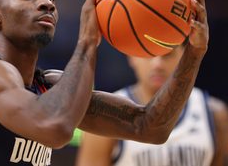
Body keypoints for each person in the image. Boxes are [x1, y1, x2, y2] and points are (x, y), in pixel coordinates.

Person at [0, 0, 209, 166]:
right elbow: (56, 128)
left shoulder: (51, 86)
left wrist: (194, 53)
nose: (45, 3)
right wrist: (88, 41)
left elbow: (150, 126)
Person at [75, 43, 228, 166]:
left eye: (167, 54)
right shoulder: (105, 115)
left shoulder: (215, 113)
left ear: (183, 55)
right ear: (131, 57)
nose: (157, 64)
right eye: (148, 54)